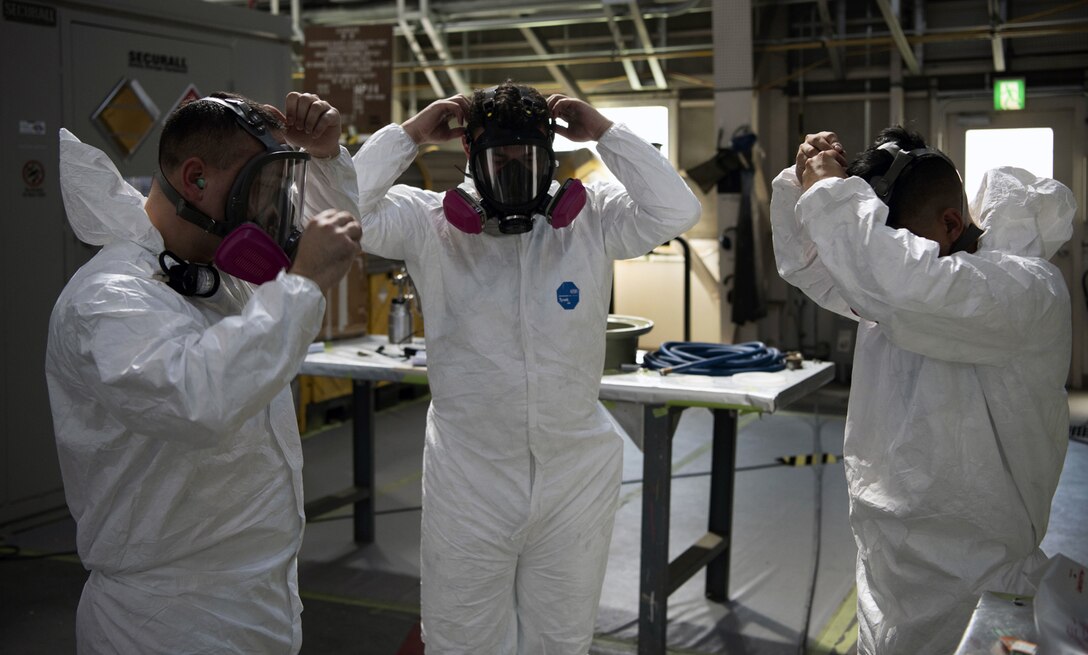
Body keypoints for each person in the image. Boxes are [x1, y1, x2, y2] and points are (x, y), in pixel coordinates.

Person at [341, 81, 700, 653]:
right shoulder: (427, 224)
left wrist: (606, 133)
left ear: (551, 157)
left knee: (561, 640)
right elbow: (339, 208)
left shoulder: (593, 220)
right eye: (498, 157)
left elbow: (677, 208)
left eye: (528, 158)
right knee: (461, 640)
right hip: (469, 478)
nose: (514, 170)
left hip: (574, 476)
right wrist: (409, 137)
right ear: (469, 156)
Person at [45, 91, 362, 654]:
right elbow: (194, 399)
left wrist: (328, 156)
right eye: (261, 189)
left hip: (256, 598)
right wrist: (302, 287)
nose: (273, 211)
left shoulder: (215, 278)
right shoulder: (109, 298)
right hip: (165, 621)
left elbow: (336, 233)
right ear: (195, 180)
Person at [770, 125, 1076, 654]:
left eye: (892, 239)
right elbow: (813, 263)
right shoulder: (892, 291)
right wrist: (803, 184)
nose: (874, 255)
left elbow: (891, 276)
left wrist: (833, 198)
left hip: (975, 583)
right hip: (888, 569)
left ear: (951, 223)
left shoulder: (1022, 290)